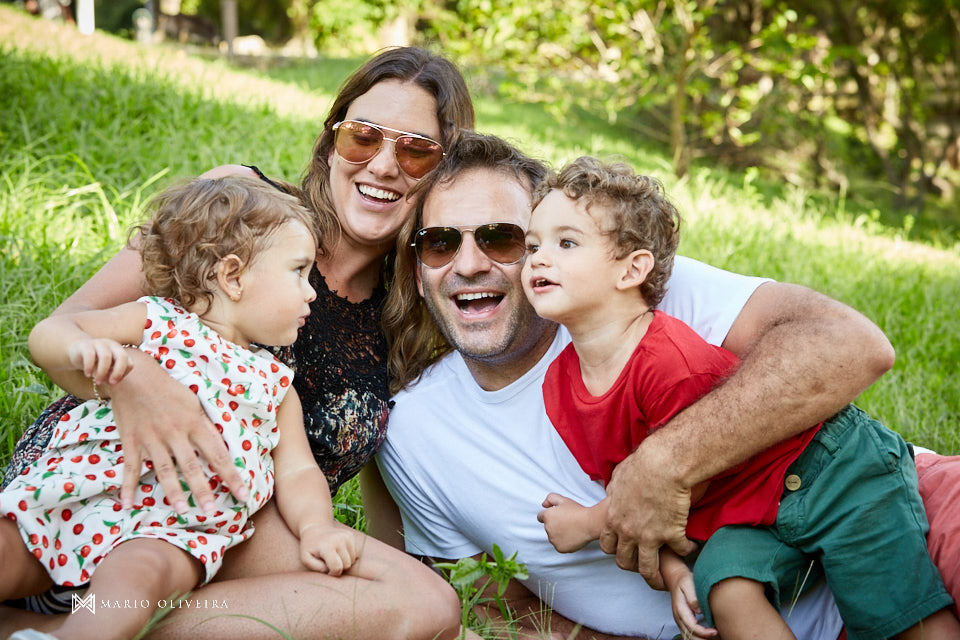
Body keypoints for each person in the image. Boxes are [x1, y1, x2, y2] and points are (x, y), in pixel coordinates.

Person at [1, 46, 471, 640]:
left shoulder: (414, 310)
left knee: (426, 607)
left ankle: (75, 630)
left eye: (415, 149)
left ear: (442, 171)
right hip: (109, 469)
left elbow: (372, 474)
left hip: (218, 530)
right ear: (331, 143)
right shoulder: (243, 213)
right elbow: (69, 323)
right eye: (363, 137)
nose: (382, 164)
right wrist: (141, 381)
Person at [373, 130, 860, 639]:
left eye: (502, 238)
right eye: (440, 243)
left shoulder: (629, 296)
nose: (469, 265)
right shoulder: (414, 430)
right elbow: (505, 606)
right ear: (416, 266)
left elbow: (851, 344)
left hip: (865, 496)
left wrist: (662, 466)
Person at [522, 157, 958, 639]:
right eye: (532, 245)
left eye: (566, 243)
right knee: (725, 588)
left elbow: (687, 482)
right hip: (754, 516)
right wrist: (675, 573)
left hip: (833, 472)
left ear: (632, 270)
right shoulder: (561, 386)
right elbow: (633, 494)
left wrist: (586, 523)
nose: (539, 258)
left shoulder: (667, 361)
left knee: (893, 611)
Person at [2, 175, 365, 640]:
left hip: (167, 534)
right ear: (232, 277)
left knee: (139, 579)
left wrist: (316, 528)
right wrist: (81, 349)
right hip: (73, 494)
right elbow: (48, 333)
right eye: (298, 272)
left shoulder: (274, 385)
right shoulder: (156, 322)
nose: (311, 292)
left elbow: (297, 471)